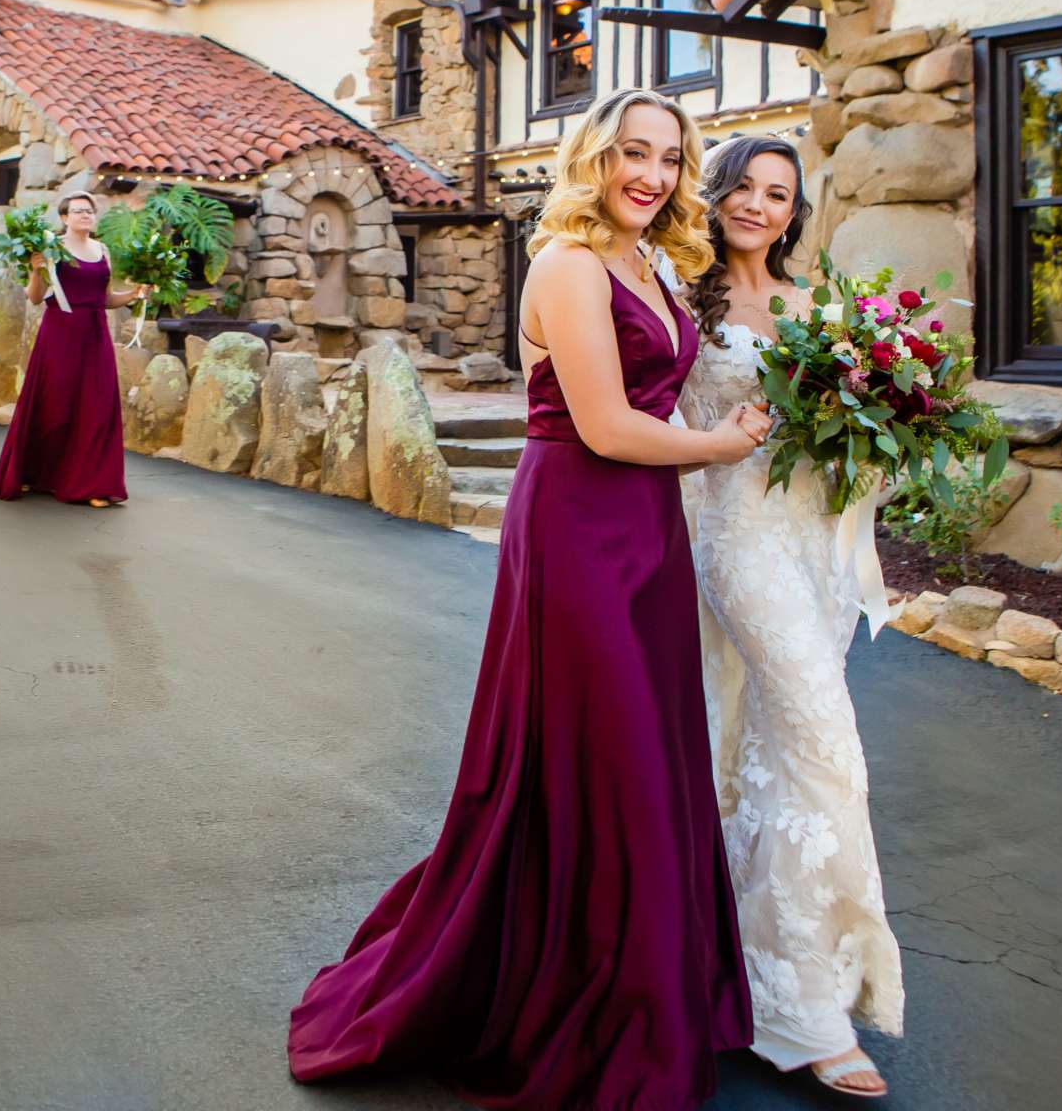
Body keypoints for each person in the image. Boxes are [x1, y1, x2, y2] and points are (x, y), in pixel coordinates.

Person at [287, 88, 768, 1109]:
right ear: (594, 157)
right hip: (580, 526)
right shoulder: (565, 263)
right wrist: (720, 447)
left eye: (670, 160)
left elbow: (667, 393)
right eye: (633, 153)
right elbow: (606, 426)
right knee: (607, 756)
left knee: (645, 751)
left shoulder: (653, 267)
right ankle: (593, 1014)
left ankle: (654, 1002)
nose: (651, 174)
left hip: (646, 534)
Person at [682, 136, 903, 1100]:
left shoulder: (819, 306)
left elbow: (844, 433)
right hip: (734, 538)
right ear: (716, 191)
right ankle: (807, 1015)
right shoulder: (678, 298)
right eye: (744, 186)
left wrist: (894, 421)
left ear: (793, 210)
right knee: (825, 740)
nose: (759, 205)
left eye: (780, 194)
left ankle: (735, 968)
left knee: (764, 748)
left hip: (815, 544)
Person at [0, 192, 142, 507]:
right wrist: (36, 268)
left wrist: (135, 293)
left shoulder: (103, 251)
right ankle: (36, 473)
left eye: (89, 211)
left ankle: (94, 484)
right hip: (60, 333)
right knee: (54, 405)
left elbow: (106, 299)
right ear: (65, 217)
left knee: (96, 407)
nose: (85, 215)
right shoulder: (51, 249)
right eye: (78, 211)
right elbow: (34, 297)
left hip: (95, 335)